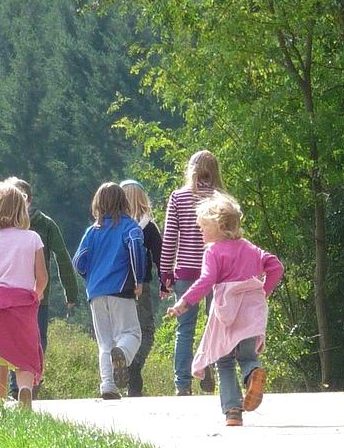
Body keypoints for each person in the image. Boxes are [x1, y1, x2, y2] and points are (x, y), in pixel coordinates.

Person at [166, 192, 284, 427]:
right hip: (251, 312)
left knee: (224, 361)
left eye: (202, 228)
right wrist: (262, 292)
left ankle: (232, 411)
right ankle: (253, 374)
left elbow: (206, 280)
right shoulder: (251, 248)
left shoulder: (213, 251)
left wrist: (184, 302)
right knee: (248, 356)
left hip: (226, 313)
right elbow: (276, 267)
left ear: (218, 226)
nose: (200, 233)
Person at [0, 179, 48, 410]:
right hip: (23, 307)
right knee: (24, 358)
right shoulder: (33, 238)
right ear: (22, 209)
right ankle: (24, 391)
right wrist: (36, 294)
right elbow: (42, 277)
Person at [5, 177, 79, 399]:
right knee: (28, 340)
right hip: (26, 296)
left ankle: (24, 385)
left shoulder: (42, 224)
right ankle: (23, 385)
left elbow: (63, 258)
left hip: (26, 296)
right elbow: (63, 258)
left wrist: (71, 291)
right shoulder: (16, 223)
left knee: (23, 340)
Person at [73, 182, 146, 400]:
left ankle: (108, 385)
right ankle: (122, 354)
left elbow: (78, 261)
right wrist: (139, 278)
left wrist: (91, 277)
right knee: (131, 333)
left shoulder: (91, 231)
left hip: (96, 292)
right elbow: (135, 249)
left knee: (104, 341)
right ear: (123, 202)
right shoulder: (130, 227)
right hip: (121, 288)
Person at [160, 149, 224, 396]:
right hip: (217, 271)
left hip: (186, 270)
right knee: (215, 325)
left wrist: (165, 274)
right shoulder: (220, 199)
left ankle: (182, 384)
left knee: (184, 328)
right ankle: (210, 368)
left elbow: (169, 239)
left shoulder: (178, 197)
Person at [120, 179, 162, 396]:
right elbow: (160, 258)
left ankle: (125, 370)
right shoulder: (149, 227)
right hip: (141, 285)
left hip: (115, 286)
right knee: (146, 330)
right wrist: (165, 282)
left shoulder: (114, 226)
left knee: (123, 331)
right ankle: (133, 367)